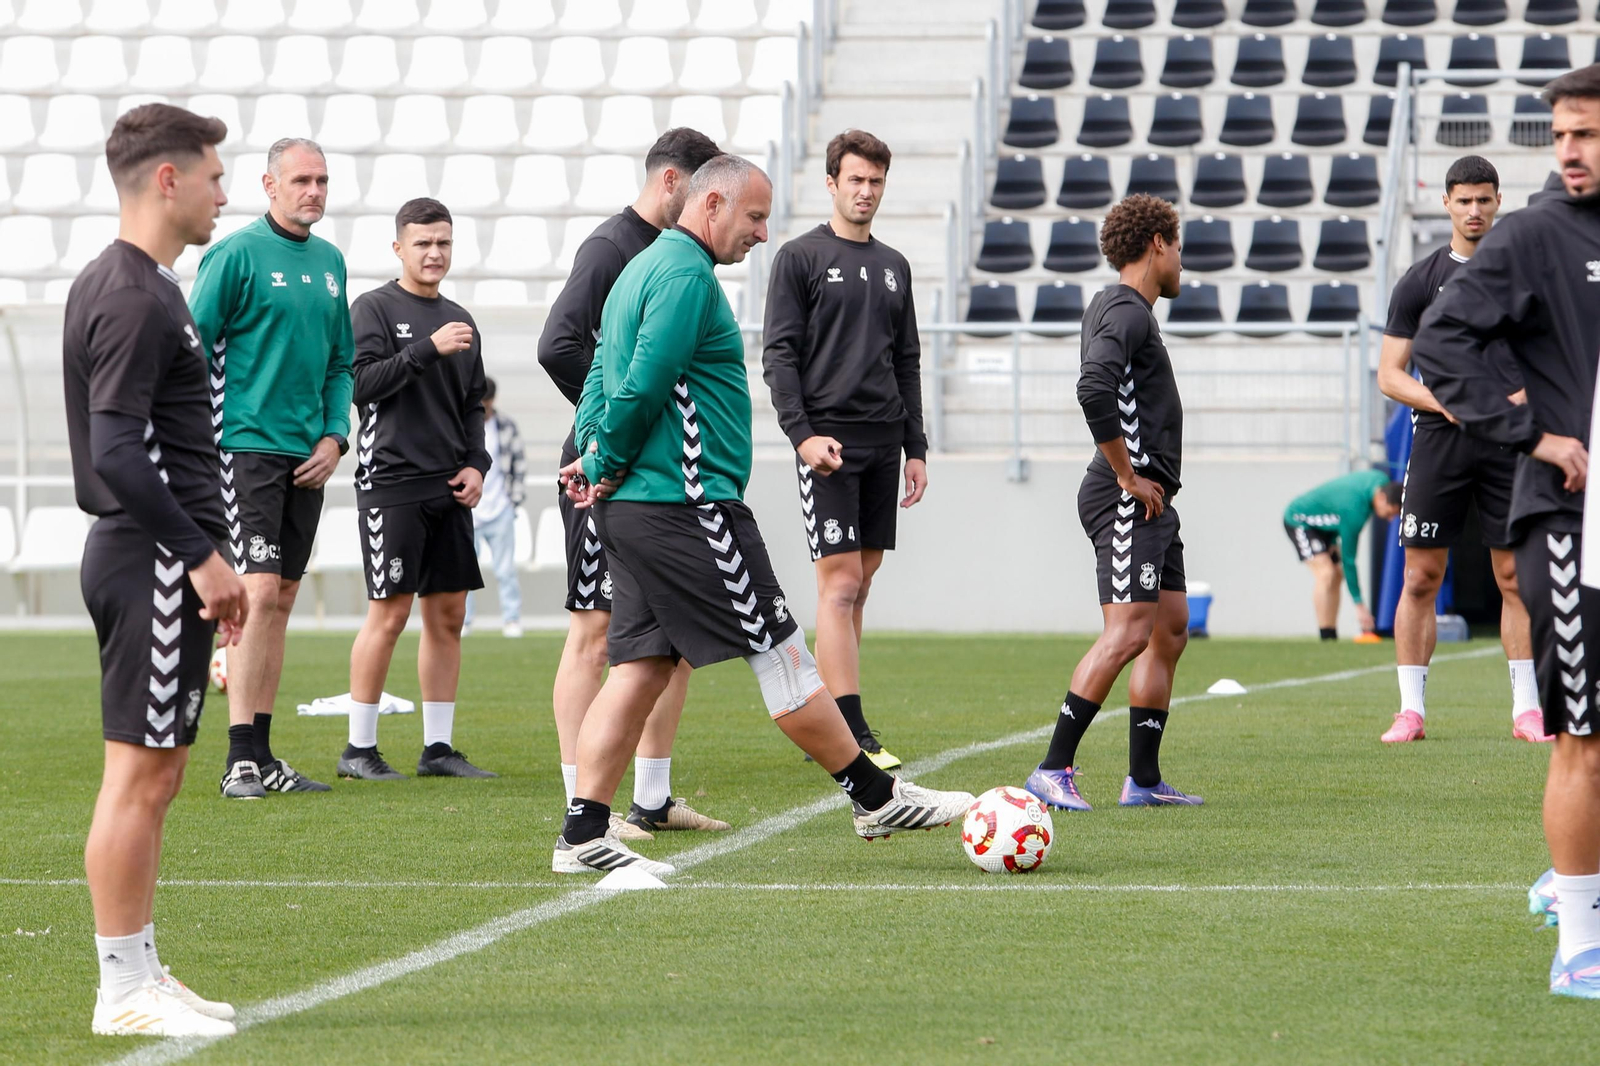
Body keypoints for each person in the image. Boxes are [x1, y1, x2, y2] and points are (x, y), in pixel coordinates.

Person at [552, 155, 975, 875]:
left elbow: (599, 373)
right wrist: (606, 459)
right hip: (689, 505)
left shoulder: (640, 267)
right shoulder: (684, 274)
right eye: (753, 217)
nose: (762, 233)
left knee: (640, 666)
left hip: (638, 508)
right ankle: (874, 797)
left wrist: (594, 456)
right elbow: (646, 377)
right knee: (781, 653)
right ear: (710, 203)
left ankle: (582, 837)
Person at [1412, 63, 1600, 999]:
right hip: (1568, 519)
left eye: (1588, 134)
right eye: (1561, 133)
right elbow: (1442, 346)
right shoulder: (1532, 237)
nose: (1570, 150)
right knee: (1582, 738)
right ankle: (1578, 939)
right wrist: (1537, 431)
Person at [66, 102, 244, 1037]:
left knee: (157, 771)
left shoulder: (150, 285)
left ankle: (138, 968)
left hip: (157, 558)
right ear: (167, 179)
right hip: (152, 562)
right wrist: (204, 558)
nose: (225, 192)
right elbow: (120, 453)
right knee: (139, 775)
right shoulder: (132, 293)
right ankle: (121, 989)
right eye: (214, 175)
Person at [536, 127, 729, 838]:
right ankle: (583, 805)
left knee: (671, 639)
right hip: (604, 475)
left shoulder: (682, 256)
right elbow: (558, 344)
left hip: (657, 478)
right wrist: (607, 434)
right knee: (594, 633)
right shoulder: (613, 247)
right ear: (674, 182)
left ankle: (651, 798)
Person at [1024, 194, 1202, 812]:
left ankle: (1144, 781)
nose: (1182, 260)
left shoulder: (1122, 308)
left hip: (1154, 499)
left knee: (1169, 629)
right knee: (1127, 632)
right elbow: (1093, 387)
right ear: (1158, 244)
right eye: (1177, 246)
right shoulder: (1126, 311)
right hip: (1129, 494)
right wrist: (1127, 476)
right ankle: (1052, 768)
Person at [189, 136, 353, 798]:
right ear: (270, 185)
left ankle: (261, 750)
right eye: (302, 180)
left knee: (281, 598)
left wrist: (336, 437)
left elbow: (341, 362)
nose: (313, 190)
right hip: (245, 445)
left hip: (307, 456)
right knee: (256, 592)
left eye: (322, 180)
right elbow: (190, 351)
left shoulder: (333, 263)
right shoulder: (235, 255)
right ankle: (238, 760)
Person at [761, 129, 926, 772]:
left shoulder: (895, 266)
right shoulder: (799, 258)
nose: (866, 191)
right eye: (855, 179)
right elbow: (779, 354)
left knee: (860, 586)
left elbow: (907, 360)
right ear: (831, 183)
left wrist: (916, 445)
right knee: (841, 582)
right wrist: (801, 436)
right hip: (826, 443)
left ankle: (830, 718)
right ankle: (852, 730)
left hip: (886, 443)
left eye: (876, 181)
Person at [1375, 155, 1543, 744]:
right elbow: (1389, 374)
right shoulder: (1420, 280)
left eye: (1484, 199)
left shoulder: (1525, 275)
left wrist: (1527, 396)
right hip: (1439, 441)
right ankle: (1410, 711)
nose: (1474, 210)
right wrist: (1443, 401)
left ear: (1499, 202)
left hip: (1507, 441)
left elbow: (1550, 355)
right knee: (1421, 575)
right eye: (1464, 199)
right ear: (1446, 202)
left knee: (1515, 576)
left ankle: (1527, 710)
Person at [336, 198, 497, 781]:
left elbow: (472, 406)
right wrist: (427, 348)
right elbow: (360, 384)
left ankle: (437, 749)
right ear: (399, 247)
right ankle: (359, 749)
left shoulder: (461, 318)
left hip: (448, 488)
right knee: (389, 613)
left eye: (444, 243)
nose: (434, 253)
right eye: (423, 243)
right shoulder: (373, 308)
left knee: (448, 615)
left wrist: (476, 464)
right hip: (391, 483)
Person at [1283, 471, 1403, 641]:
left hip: (1326, 529)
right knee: (1326, 574)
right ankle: (1325, 635)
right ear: (1382, 498)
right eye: (1390, 512)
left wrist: (1331, 541)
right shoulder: (1355, 512)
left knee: (1337, 575)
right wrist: (1359, 605)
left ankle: (1331, 634)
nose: (1390, 519)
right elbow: (1349, 560)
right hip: (1300, 520)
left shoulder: (1380, 480)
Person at [463, 376, 525, 638]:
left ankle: (511, 620)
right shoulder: (465, 426)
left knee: (505, 570)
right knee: (464, 573)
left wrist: (513, 503)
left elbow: (518, 468)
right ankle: (464, 621)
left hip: (500, 510)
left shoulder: (507, 426)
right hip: (470, 510)